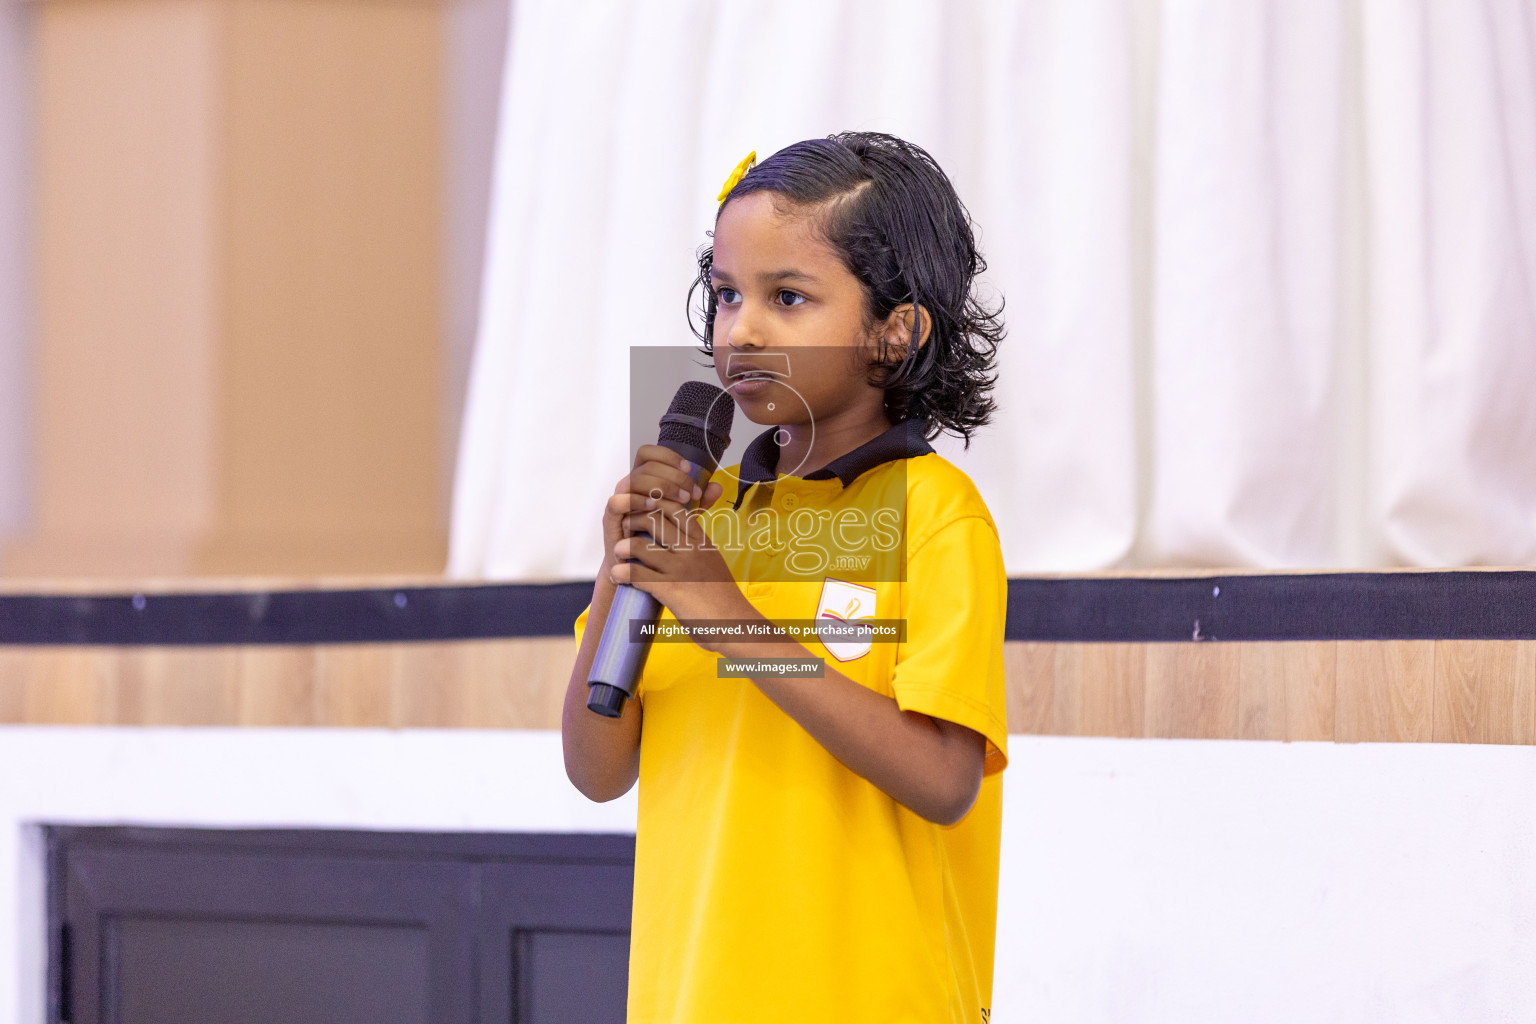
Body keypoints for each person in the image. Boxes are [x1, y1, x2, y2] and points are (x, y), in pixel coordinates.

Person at [563, 132, 1009, 1024]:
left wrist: (727, 616)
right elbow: (596, 769)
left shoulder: (935, 512)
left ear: (896, 330)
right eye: (727, 296)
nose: (744, 329)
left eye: (789, 297)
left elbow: (942, 779)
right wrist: (625, 574)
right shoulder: (700, 517)